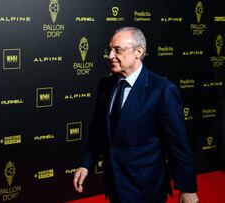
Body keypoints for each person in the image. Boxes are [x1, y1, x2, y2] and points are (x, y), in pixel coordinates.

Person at [73, 27, 199, 203]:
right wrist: (86, 165)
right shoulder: (105, 85)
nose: (110, 56)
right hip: (114, 186)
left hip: (146, 190)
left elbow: (178, 144)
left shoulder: (163, 91)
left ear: (138, 52)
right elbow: (97, 132)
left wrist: (187, 189)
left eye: (118, 50)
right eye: (109, 50)